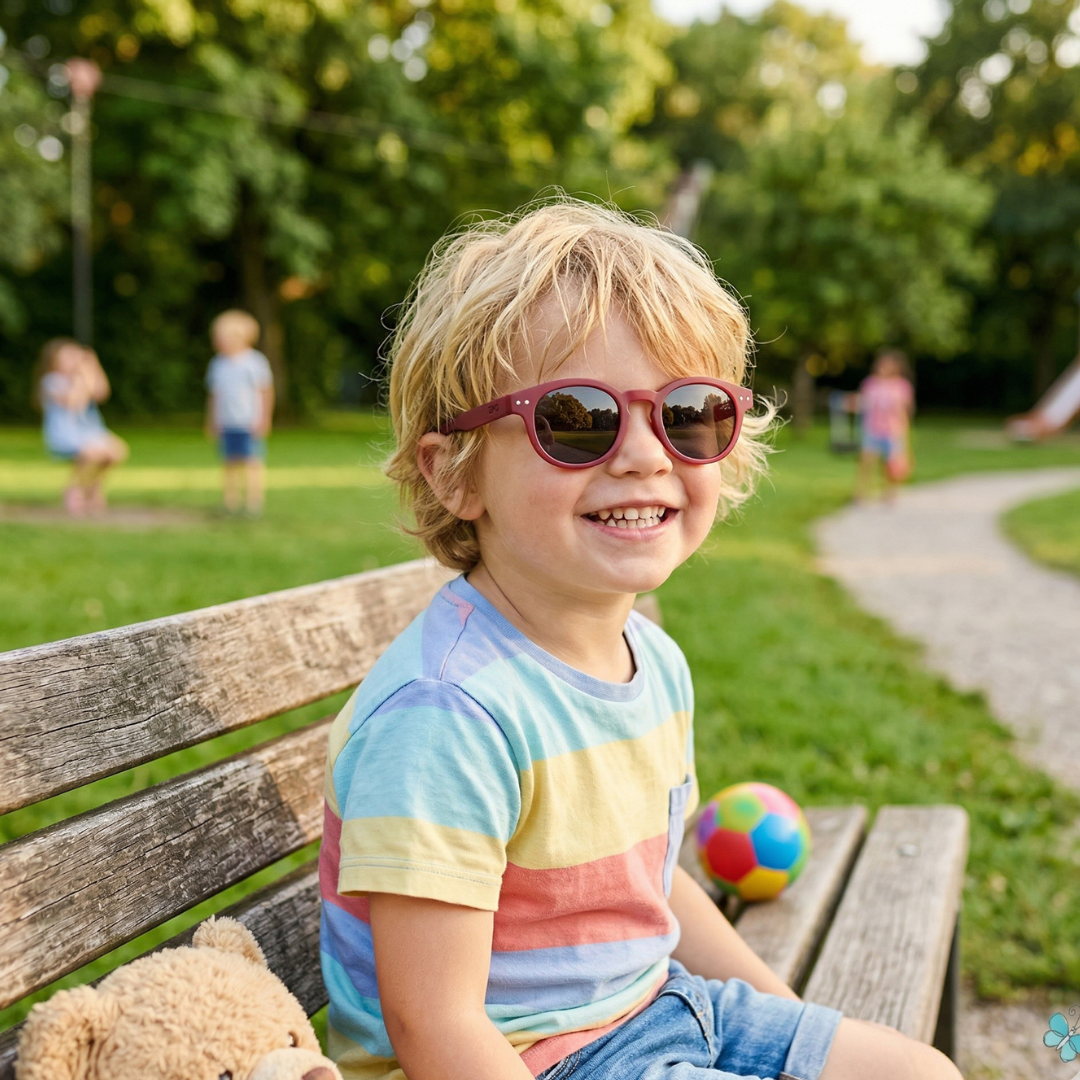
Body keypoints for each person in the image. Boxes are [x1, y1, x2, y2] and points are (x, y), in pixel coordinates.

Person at [318, 201, 961, 1080]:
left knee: (921, 1074)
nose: (646, 455)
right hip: (536, 1055)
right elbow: (435, 1027)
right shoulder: (451, 714)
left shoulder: (650, 660)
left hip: (660, 1005)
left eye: (688, 414)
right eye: (578, 420)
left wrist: (794, 1028)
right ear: (456, 471)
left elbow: (653, 889)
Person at [35, 337, 129, 516]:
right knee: (92, 452)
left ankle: (92, 487)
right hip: (65, 434)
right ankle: (74, 489)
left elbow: (101, 392)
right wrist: (81, 377)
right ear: (54, 361)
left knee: (116, 451)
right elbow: (73, 401)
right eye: (68, 357)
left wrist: (93, 366)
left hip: (90, 431)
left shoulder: (82, 377)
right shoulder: (51, 381)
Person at [204, 309, 274, 516]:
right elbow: (214, 395)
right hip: (226, 422)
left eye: (222, 337)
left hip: (248, 421)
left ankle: (254, 502)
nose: (218, 341)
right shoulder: (218, 364)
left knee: (252, 462)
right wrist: (211, 420)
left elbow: (265, 392)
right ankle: (231, 501)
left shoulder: (254, 362)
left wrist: (264, 418)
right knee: (229, 463)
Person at [855, 349, 915, 503]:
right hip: (872, 429)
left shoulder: (902, 386)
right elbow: (862, 403)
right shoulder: (870, 384)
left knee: (890, 465)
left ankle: (889, 493)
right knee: (866, 461)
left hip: (893, 430)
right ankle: (860, 493)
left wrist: (904, 433)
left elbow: (905, 411)